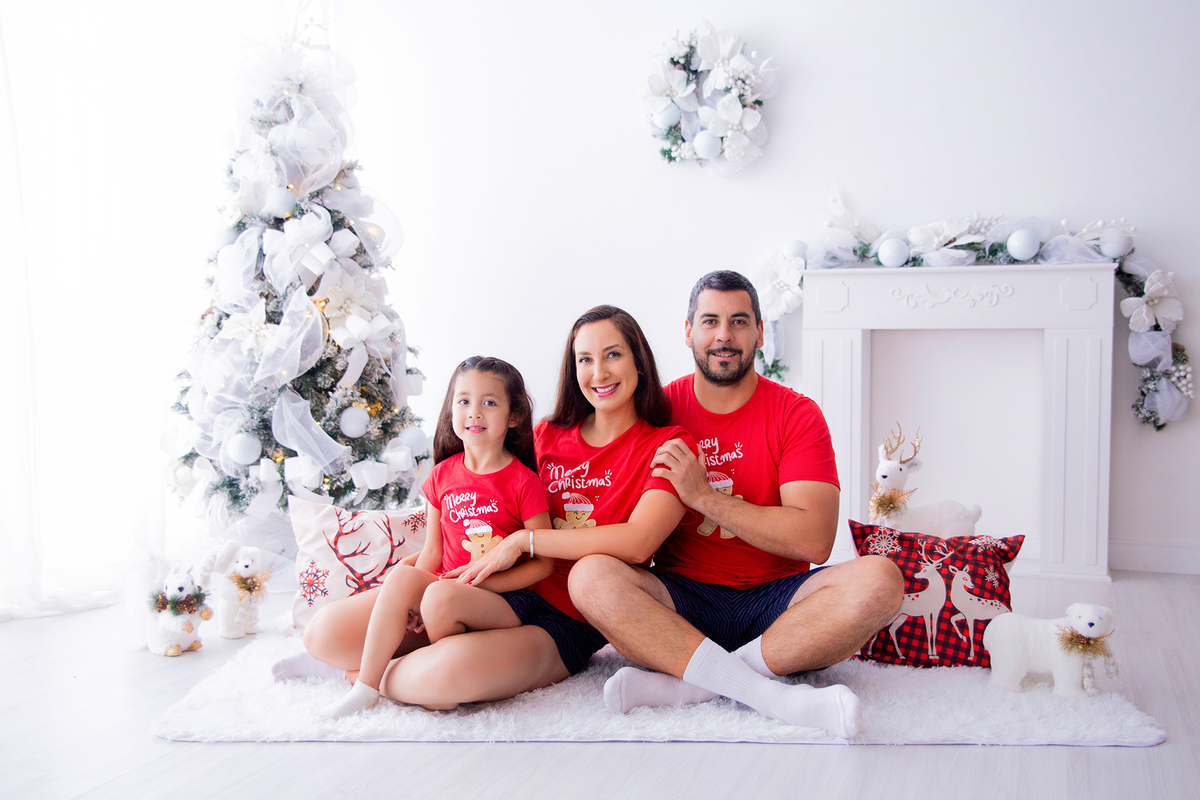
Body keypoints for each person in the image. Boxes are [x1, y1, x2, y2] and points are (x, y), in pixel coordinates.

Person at [568, 271, 905, 739]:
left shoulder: (795, 413)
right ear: (688, 332)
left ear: (760, 333)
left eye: (739, 321)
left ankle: (697, 685)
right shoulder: (657, 410)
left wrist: (704, 497)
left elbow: (815, 539)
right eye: (710, 321)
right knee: (588, 576)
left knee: (881, 579)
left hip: (778, 604)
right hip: (681, 597)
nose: (723, 335)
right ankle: (765, 691)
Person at [272, 356, 553, 717]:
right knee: (407, 578)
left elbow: (544, 562)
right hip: (443, 593)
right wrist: (411, 601)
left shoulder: (523, 482)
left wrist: (477, 587)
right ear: (451, 408)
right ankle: (365, 687)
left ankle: (391, 673)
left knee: (438, 601)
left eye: (490, 402)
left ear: (513, 416)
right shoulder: (442, 475)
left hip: (505, 602)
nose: (475, 413)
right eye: (464, 401)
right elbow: (432, 553)